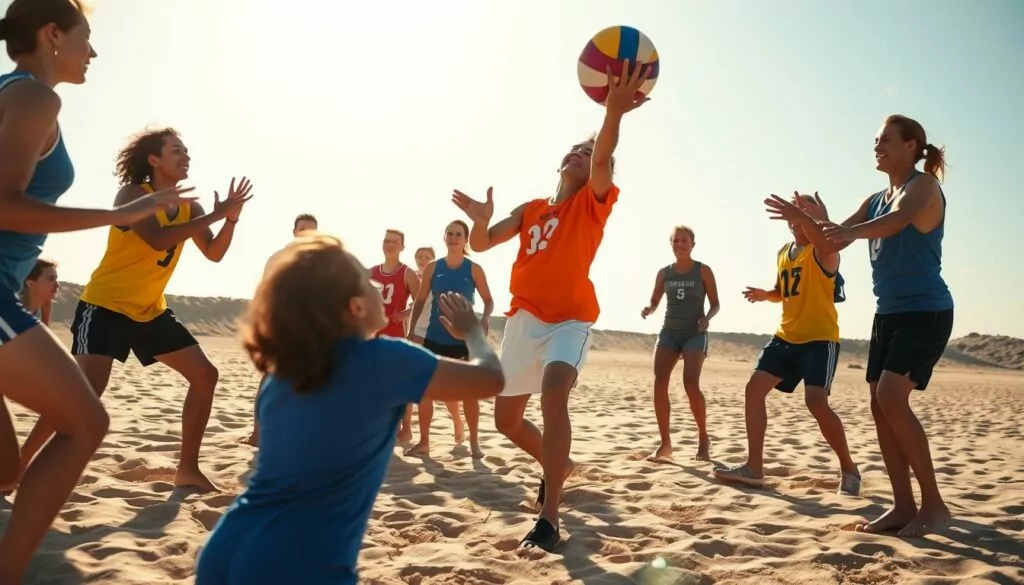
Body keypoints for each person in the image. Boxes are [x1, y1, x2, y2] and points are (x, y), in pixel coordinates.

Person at [0, 1, 194, 580]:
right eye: (88, 37)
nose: (94, 50)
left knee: (8, 471)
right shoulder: (36, 96)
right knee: (87, 423)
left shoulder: (14, 92)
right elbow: (6, 203)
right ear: (53, 34)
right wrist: (124, 213)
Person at [193, 234, 504, 585]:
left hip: (225, 548)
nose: (377, 285)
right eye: (368, 281)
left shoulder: (284, 373)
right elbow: (491, 379)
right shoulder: (383, 360)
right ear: (355, 308)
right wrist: (473, 333)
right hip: (297, 563)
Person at [451, 59, 650, 551]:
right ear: (561, 161)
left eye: (589, 152)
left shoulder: (592, 203)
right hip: (524, 318)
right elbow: (485, 241)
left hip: (571, 318)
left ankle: (550, 516)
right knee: (506, 420)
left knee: (555, 390)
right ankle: (557, 464)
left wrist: (614, 114)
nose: (583, 155)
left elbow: (604, 158)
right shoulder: (533, 208)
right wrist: (479, 220)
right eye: (576, 150)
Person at [18, 127, 252, 493]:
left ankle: (187, 469)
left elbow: (214, 253)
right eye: (177, 150)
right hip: (105, 306)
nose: (186, 155)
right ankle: (21, 463)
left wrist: (230, 219)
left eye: (188, 150)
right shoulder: (132, 194)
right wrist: (214, 215)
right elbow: (157, 238)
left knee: (205, 375)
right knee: (84, 395)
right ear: (154, 160)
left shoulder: (193, 208)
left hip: (149, 311)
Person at [768, 114, 954, 537]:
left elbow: (897, 221)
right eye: (875, 140)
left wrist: (834, 227)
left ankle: (936, 506)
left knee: (892, 396)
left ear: (911, 145)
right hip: (888, 313)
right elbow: (833, 240)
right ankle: (903, 506)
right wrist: (811, 220)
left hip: (927, 311)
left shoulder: (922, 186)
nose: (877, 146)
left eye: (886, 139)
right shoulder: (875, 198)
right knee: (878, 405)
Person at [714, 193, 860, 497]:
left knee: (816, 403)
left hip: (819, 339)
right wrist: (765, 295)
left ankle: (849, 469)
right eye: (795, 214)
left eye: (803, 213)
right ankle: (754, 467)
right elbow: (783, 290)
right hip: (786, 337)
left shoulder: (824, 252)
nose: (797, 220)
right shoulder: (784, 252)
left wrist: (820, 218)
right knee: (753, 390)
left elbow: (828, 241)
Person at [406, 220, 494, 459]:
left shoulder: (473, 269)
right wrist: (411, 329)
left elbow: (488, 300)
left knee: (469, 393)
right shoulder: (433, 267)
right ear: (444, 238)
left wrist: (485, 317)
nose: (454, 237)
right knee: (425, 390)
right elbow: (421, 300)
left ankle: (474, 443)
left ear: (465, 240)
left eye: (458, 234)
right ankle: (424, 442)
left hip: (463, 338)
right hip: (434, 337)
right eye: (450, 234)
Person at [640, 225, 720, 461]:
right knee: (659, 383)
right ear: (671, 244)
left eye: (684, 241)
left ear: (692, 244)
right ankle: (665, 444)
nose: (680, 245)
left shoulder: (703, 271)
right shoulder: (664, 273)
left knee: (691, 385)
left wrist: (707, 318)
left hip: (695, 333)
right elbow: (654, 300)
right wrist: (649, 309)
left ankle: (703, 438)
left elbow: (716, 303)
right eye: (675, 241)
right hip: (669, 332)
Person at [242, 213, 319, 447]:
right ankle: (257, 433)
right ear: (294, 231)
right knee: (270, 378)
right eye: (303, 229)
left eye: (312, 230)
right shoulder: (278, 258)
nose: (307, 234)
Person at [371, 229, 419, 338]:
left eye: (395, 242)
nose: (390, 245)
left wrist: (405, 314)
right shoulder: (370, 272)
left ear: (402, 247)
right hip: (372, 335)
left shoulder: (408, 274)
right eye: (387, 241)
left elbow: (422, 303)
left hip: (395, 336)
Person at [20, 257, 60, 326]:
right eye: (51, 279)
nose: (57, 285)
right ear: (30, 284)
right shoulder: (14, 311)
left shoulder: (42, 301)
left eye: (56, 279)